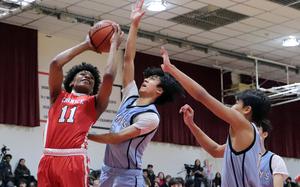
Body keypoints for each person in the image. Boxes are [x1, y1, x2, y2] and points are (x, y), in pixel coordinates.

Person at [87, 0, 184, 186]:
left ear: (159, 90)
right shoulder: (131, 94)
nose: (145, 79)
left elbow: (116, 138)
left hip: (127, 176)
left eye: (152, 79)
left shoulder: (150, 117)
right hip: (107, 169)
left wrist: (85, 135)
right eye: (147, 77)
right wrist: (134, 24)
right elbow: (128, 59)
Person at [160, 47, 271, 187]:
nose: (233, 105)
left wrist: (171, 69)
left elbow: (202, 96)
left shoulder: (244, 125)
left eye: (237, 103)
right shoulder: (244, 133)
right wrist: (191, 125)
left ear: (247, 110)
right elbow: (215, 151)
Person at [37, 24, 124, 187]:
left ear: (93, 88)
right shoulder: (58, 96)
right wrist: (86, 45)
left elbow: (109, 76)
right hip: (48, 158)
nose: (87, 76)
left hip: (74, 159)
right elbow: (55, 63)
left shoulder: (94, 103)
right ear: (71, 81)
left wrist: (113, 45)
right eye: (82, 74)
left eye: (91, 77)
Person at [257, 119, 288, 187]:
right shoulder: (242, 159)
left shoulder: (275, 160)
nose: (252, 132)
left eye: (256, 129)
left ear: (264, 134)